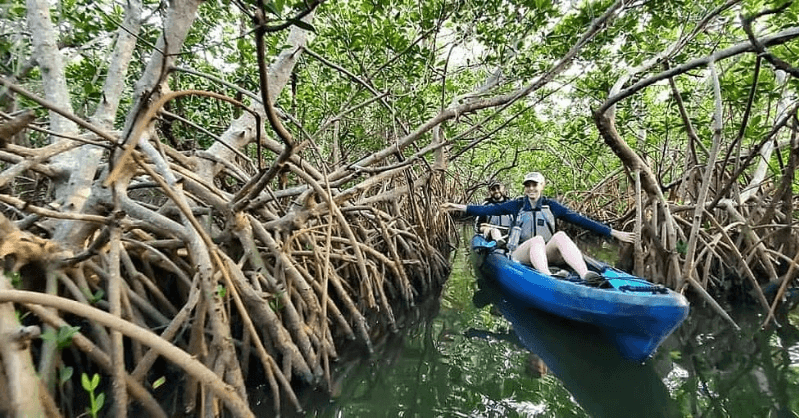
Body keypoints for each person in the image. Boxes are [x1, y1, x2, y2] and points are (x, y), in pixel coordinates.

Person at [442, 171, 634, 280]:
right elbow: (486, 210)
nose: (531, 188)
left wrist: (614, 232)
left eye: (535, 185)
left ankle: (585, 274)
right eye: (528, 185)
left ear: (542, 185)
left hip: (545, 253)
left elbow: (581, 220)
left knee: (560, 236)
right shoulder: (516, 204)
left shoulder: (552, 206)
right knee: (537, 240)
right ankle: (547, 277)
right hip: (521, 254)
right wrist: (458, 206)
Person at [476, 181, 511, 246]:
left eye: (498, 188)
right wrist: (485, 229)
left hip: (509, 236)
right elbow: (478, 226)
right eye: (493, 189)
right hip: (491, 237)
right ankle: (497, 242)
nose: (496, 191)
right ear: (490, 192)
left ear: (503, 189)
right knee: (494, 231)